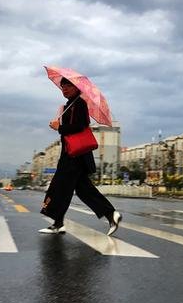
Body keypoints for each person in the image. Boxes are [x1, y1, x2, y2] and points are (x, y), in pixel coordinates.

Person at [39, 77, 122, 236]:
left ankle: (58, 223)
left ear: (77, 87)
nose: (64, 89)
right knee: (83, 190)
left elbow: (80, 126)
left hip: (74, 156)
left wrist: (59, 127)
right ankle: (111, 215)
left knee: (59, 187)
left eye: (68, 85)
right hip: (73, 155)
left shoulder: (79, 103)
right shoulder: (70, 104)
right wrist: (59, 125)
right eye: (62, 86)